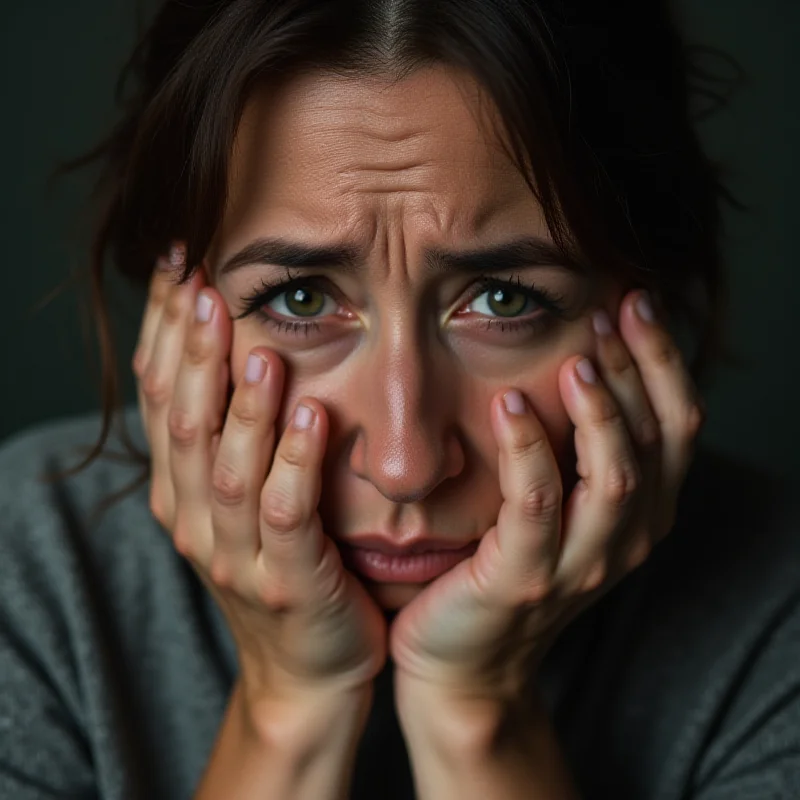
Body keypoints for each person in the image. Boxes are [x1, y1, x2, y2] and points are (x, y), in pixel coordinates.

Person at [1, 0, 797, 798]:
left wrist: (480, 717)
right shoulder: (31, 573)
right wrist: (287, 710)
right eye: (303, 299)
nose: (404, 463)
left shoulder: (773, 606)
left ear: (640, 302)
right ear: (181, 306)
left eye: (502, 300)